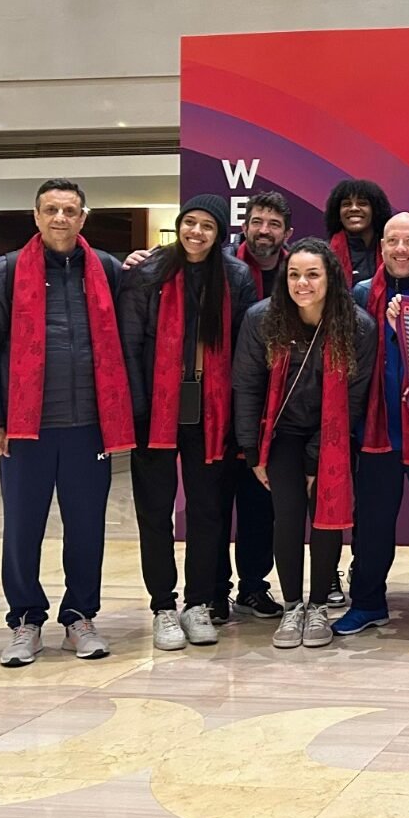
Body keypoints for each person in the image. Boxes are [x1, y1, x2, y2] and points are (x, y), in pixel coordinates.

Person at [0, 180, 133, 668]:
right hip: (25, 428)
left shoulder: (103, 269)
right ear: (36, 216)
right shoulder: (7, 271)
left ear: (84, 217)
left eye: (70, 210)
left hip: (88, 426)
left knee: (87, 527)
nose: (60, 218)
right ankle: (25, 619)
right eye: (51, 210)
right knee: (23, 528)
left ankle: (80, 616)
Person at [119, 194, 257, 650]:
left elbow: (243, 349)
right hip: (155, 411)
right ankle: (163, 605)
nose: (196, 232)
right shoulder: (149, 272)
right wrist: (138, 410)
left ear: (220, 235)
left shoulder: (235, 277)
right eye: (190, 222)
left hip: (211, 412)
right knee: (155, 512)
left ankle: (198, 602)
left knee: (207, 511)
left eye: (207, 226)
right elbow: (130, 344)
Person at [233, 238, 377, 650]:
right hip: (281, 436)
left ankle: (318, 605)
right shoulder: (263, 319)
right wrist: (251, 451)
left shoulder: (358, 325)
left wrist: (319, 457)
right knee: (288, 514)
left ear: (330, 278)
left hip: (332, 433)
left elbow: (353, 398)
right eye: (294, 274)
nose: (302, 283)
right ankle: (293, 604)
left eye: (312, 274)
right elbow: (246, 386)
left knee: (327, 516)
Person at [333, 213, 409, 637]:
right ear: (381, 247)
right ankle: (367, 603)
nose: (401, 249)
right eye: (393, 241)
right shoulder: (361, 294)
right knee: (373, 524)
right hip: (379, 431)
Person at [219, 191, 293, 620]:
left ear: (287, 233)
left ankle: (251, 585)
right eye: (258, 221)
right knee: (212, 503)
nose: (264, 230)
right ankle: (211, 590)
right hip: (218, 400)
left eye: (274, 224)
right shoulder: (222, 264)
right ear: (245, 225)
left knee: (259, 503)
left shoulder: (297, 270)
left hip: (273, 405)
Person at [325, 178, 393, 285]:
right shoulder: (325, 255)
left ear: (375, 210)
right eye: (346, 204)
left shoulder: (393, 250)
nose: (354, 208)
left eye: (362, 203)